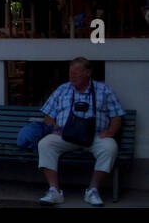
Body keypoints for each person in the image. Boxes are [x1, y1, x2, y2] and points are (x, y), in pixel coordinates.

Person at [37, 57, 125, 206]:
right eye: (71, 73)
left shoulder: (104, 90)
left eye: (77, 73)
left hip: (95, 136)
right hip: (66, 135)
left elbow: (116, 116)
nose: (72, 76)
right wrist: (54, 128)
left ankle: (93, 190)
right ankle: (54, 191)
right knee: (45, 144)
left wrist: (111, 131)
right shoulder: (63, 89)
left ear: (88, 73)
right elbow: (47, 114)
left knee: (110, 147)